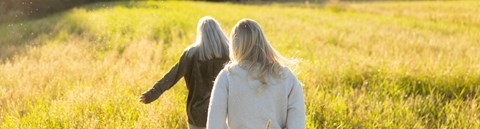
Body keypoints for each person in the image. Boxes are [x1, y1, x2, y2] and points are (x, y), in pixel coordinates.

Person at [207, 19, 306, 129]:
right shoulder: (287, 76)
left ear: (235, 45)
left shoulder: (227, 76)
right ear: (263, 41)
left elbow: (214, 125)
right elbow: (297, 125)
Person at [140, 16, 230, 129]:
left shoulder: (191, 54)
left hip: (196, 115)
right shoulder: (229, 54)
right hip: (221, 113)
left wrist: (151, 94)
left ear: (200, 33)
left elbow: (172, 76)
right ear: (218, 32)